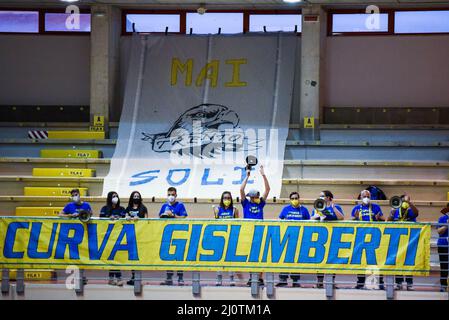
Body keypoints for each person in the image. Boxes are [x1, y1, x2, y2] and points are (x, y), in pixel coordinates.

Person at [240, 165, 270, 287]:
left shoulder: (260, 204)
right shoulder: (245, 204)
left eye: (258, 196)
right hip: (248, 232)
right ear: (251, 197)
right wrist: (247, 177)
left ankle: (260, 278)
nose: (258, 198)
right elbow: (241, 190)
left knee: (261, 255)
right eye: (256, 197)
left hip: (259, 232)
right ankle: (252, 277)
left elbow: (268, 189)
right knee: (250, 256)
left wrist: (263, 174)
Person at [351, 189, 385, 290]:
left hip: (374, 237)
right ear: (361, 198)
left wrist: (378, 218)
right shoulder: (356, 208)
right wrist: (356, 218)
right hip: (361, 238)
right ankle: (360, 282)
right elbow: (351, 221)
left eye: (368, 196)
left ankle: (378, 282)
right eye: (364, 196)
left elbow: (383, 219)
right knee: (361, 261)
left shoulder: (376, 207)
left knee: (375, 260)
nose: (366, 198)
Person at [276, 192, 310, 288]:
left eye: (296, 198)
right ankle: (283, 280)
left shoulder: (304, 210)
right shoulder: (286, 209)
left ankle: (295, 281)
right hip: (287, 238)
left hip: (299, 239)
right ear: (290, 199)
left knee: (296, 260)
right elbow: (279, 220)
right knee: (285, 259)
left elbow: (309, 222)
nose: (294, 200)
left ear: (299, 199)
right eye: (292, 198)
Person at [311, 190, 344, 288]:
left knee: (332, 259)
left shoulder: (336, 207)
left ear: (329, 198)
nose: (320, 198)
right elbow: (311, 218)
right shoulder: (318, 206)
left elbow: (341, 218)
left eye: (322, 196)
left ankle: (331, 282)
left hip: (333, 236)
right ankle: (319, 282)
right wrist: (316, 216)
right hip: (321, 236)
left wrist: (333, 208)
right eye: (319, 196)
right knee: (320, 259)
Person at [387, 193, 419, 291]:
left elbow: (417, 213)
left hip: (410, 240)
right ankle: (398, 282)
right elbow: (388, 221)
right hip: (397, 240)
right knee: (398, 261)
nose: (404, 203)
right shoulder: (395, 210)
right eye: (403, 201)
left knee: (409, 261)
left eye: (406, 201)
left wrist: (409, 203)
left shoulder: (410, 210)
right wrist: (391, 212)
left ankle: (409, 283)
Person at [159, 187, 188, 286]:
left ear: (176, 195)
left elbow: (184, 217)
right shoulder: (164, 206)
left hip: (179, 234)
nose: (170, 196)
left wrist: (173, 215)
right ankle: (169, 278)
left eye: (172, 194)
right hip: (167, 235)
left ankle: (180, 278)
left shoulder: (180, 205)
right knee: (168, 257)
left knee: (179, 256)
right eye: (169, 194)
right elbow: (159, 217)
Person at [213, 191, 242, 286]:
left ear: (231, 199)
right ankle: (218, 278)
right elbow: (215, 223)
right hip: (220, 237)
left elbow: (237, 224)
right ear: (222, 199)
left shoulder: (234, 210)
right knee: (219, 259)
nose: (227, 199)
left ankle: (231, 278)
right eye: (225, 198)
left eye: (229, 198)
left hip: (231, 238)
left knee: (230, 259)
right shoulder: (217, 209)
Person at [100, 191, 126, 286]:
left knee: (116, 257)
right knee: (111, 258)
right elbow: (100, 220)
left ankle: (116, 278)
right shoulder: (104, 208)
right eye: (113, 196)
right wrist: (108, 217)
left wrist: (119, 218)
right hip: (108, 236)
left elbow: (125, 218)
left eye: (116, 196)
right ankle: (113, 278)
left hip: (119, 235)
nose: (115, 198)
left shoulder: (122, 208)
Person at [125, 191, 148, 285]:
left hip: (140, 235)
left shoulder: (143, 208)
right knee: (132, 257)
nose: (136, 197)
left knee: (138, 257)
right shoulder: (128, 208)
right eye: (134, 196)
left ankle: (138, 277)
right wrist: (126, 216)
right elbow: (125, 216)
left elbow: (147, 220)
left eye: (137, 196)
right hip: (130, 235)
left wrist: (140, 219)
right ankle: (133, 277)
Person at [436, 203, 449, 293]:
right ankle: (443, 285)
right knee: (444, 266)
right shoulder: (442, 218)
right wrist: (446, 225)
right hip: (443, 245)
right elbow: (439, 232)